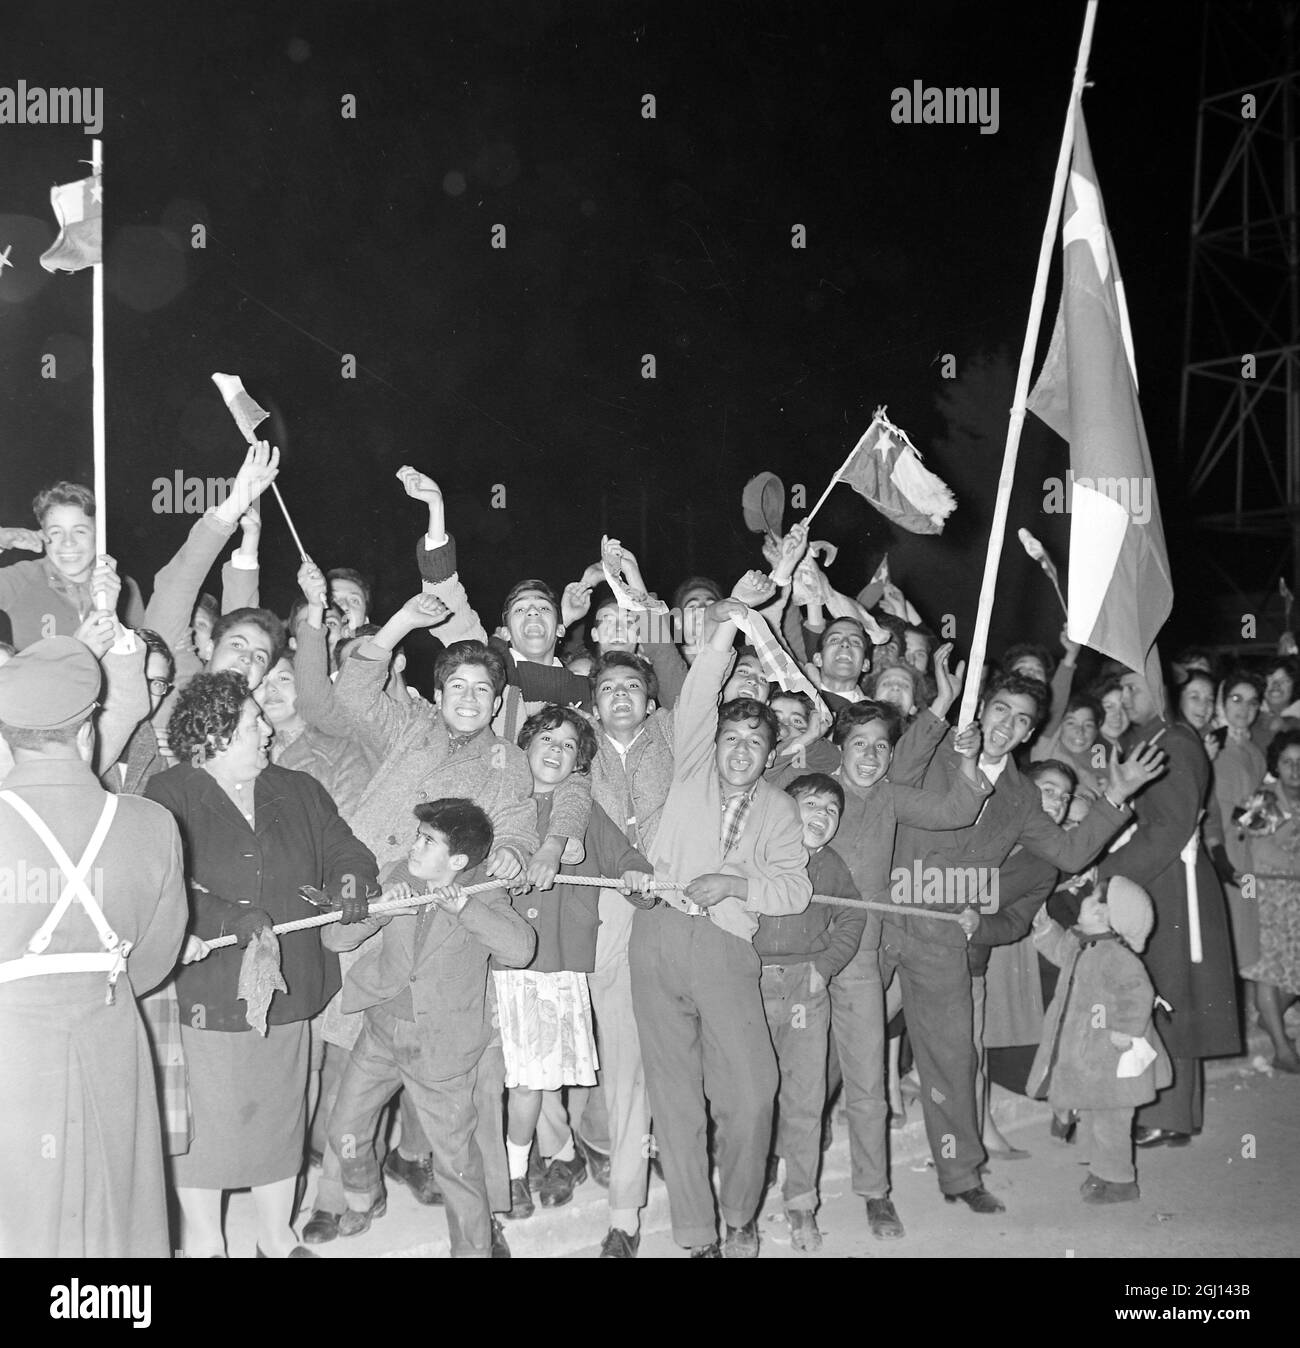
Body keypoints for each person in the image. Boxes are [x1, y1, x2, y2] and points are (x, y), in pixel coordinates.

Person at [885, 669, 1167, 1212]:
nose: (1007, 726)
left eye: (1022, 721)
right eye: (1000, 711)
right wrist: (940, 709)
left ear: (1028, 733)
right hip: (883, 918)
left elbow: (1068, 853)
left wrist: (1116, 794)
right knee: (831, 1044)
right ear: (983, 707)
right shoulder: (939, 745)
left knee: (951, 1061)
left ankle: (961, 1176)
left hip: (944, 939)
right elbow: (892, 775)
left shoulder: (1020, 799)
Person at [146, 671, 379, 1258]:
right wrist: (230, 919)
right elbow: (163, 885)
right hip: (208, 984)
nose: (268, 730)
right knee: (206, 1123)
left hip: (287, 985)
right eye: (253, 723)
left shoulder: (298, 789)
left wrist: (350, 879)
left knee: (281, 1115)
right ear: (215, 735)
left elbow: (344, 847)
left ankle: (277, 1238)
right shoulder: (168, 794)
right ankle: (206, 1240)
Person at [629, 593, 812, 1258]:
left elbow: (794, 889)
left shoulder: (780, 811)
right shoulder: (692, 768)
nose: (739, 749)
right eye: (732, 737)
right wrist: (728, 631)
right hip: (656, 936)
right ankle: (698, 1234)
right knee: (675, 1099)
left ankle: (740, 1212)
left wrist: (736, 883)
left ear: (769, 755)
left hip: (728, 949)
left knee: (754, 1091)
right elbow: (701, 691)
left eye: (754, 742)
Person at [0, 637, 187, 1257]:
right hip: (112, 1033)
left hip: (13, 1052)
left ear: (6, 739)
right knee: (117, 1209)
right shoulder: (151, 823)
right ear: (88, 737)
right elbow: (156, 960)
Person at [324, 798, 534, 1257]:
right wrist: (379, 909)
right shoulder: (400, 875)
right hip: (381, 1029)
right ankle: (365, 1196)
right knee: (344, 1126)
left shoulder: (484, 891)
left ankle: (474, 1250)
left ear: (457, 861)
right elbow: (333, 937)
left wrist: (466, 911)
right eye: (418, 837)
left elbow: (520, 949)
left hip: (439, 1046)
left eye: (428, 841)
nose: (414, 847)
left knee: (456, 1163)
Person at [500, 706, 654, 1228]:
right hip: (492, 957)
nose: (554, 749)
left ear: (579, 763)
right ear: (524, 746)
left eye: (568, 745)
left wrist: (636, 877)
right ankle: (557, 1154)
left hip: (556, 959)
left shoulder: (584, 811)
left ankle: (519, 1170)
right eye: (546, 738)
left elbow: (624, 855)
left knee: (531, 1079)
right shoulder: (501, 800)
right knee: (508, 1078)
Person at [1100, 671, 1241, 1147]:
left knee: (1170, 992)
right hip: (1164, 876)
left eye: (1134, 688)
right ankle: (1174, 1114)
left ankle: (1170, 1113)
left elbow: (1170, 829)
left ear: (1161, 693)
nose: (1125, 697)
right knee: (1167, 991)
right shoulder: (1154, 738)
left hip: (1171, 881)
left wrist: (1109, 870)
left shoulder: (1174, 743)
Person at [754, 774, 868, 1252]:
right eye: (810, 804)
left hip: (805, 989)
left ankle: (800, 1202)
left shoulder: (833, 867)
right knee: (751, 1097)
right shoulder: (755, 852)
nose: (820, 816)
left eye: (831, 811)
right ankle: (742, 1199)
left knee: (804, 1097)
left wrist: (823, 967)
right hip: (752, 984)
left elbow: (853, 916)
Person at [1028, 877, 1171, 1203]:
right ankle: (1099, 1171)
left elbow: (1138, 993)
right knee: (1092, 1113)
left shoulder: (1116, 956)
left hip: (1114, 1058)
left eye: (1093, 899)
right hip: (1091, 1055)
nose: (1085, 900)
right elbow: (1059, 950)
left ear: (1107, 917)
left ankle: (1121, 1181)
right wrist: (1044, 926)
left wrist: (1126, 1030)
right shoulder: (1083, 944)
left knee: (1112, 1122)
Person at [0, 482, 146, 650]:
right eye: (56, 532)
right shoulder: (21, 579)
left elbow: (140, 659)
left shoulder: (122, 586)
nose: (68, 542)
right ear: (42, 533)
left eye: (80, 531)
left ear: (99, 534)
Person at [1238, 728, 1300, 1071]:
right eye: (1288, 762)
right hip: (1266, 894)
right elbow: (1256, 847)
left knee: (1291, 971)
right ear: (1276, 763)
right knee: (1268, 973)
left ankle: (1268, 1014)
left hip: (1296, 896)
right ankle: (1282, 1048)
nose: (1295, 769)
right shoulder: (1263, 798)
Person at [260, 654, 371, 821]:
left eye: (283, 678)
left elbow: (348, 830)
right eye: (262, 681)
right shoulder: (237, 751)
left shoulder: (341, 752)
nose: (271, 688)